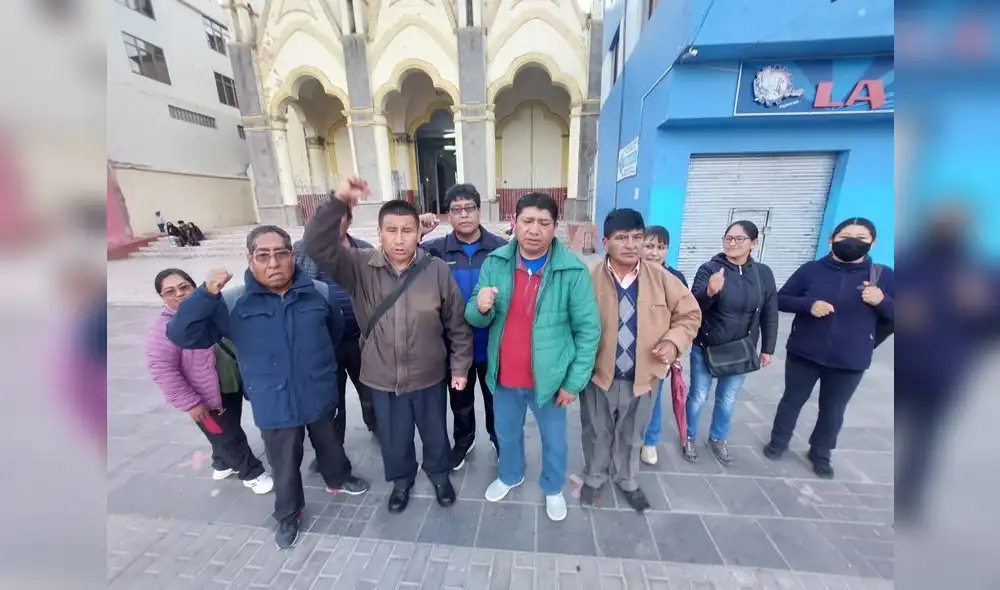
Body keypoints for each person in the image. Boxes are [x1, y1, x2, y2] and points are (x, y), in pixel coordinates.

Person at [166, 225, 369, 549]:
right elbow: (182, 335)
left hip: (317, 389)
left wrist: (316, 365)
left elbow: (333, 329)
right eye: (263, 256)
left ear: (292, 256)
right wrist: (205, 294)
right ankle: (289, 514)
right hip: (274, 399)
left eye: (280, 254)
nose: (273, 263)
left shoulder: (318, 292)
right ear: (250, 260)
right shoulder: (232, 302)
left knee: (330, 441)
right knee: (284, 460)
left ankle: (338, 477)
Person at [303, 178, 473, 515]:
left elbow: (457, 324)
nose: (399, 239)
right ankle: (401, 481)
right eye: (391, 230)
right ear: (379, 233)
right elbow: (315, 245)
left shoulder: (436, 269)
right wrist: (338, 202)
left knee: (435, 433)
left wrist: (459, 368)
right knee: (395, 438)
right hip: (382, 376)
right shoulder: (359, 266)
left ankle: (439, 476)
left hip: (429, 375)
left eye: (406, 230)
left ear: (417, 232)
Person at [466, 192, 601, 522]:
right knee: (507, 434)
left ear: (555, 226)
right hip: (505, 376)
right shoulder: (496, 262)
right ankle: (511, 475)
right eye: (527, 221)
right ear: (515, 222)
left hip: (550, 380)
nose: (534, 230)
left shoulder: (572, 271)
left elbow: (588, 331)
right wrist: (480, 306)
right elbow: (474, 315)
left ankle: (553, 487)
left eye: (544, 223)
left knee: (555, 441)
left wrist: (573, 382)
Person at [581, 210, 700, 512]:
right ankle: (595, 477)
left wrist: (673, 343)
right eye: (622, 238)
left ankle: (628, 480)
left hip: (644, 377)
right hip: (599, 376)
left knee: (633, 433)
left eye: (637, 237)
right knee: (596, 430)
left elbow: (689, 314)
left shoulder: (662, 278)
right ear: (605, 242)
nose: (631, 245)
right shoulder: (587, 277)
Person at [763, 217, 894, 478]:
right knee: (792, 400)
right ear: (831, 239)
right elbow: (781, 299)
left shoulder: (883, 276)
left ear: (873, 243)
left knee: (833, 409)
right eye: (846, 236)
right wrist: (808, 304)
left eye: (861, 238)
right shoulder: (811, 270)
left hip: (849, 359)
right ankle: (779, 441)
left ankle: (820, 452)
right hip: (805, 352)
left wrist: (883, 301)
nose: (852, 242)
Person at [146, 268, 273, 494]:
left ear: (195, 287)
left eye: (184, 287)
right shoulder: (162, 330)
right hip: (205, 394)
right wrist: (191, 403)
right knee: (228, 435)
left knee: (225, 429)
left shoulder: (212, 309)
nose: (179, 294)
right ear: (162, 297)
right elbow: (163, 371)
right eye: (170, 291)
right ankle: (252, 474)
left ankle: (222, 463)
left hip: (232, 384)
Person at [422, 183, 508, 467]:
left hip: (492, 346)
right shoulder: (434, 250)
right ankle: (464, 440)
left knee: (496, 401)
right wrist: (419, 232)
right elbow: (399, 256)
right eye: (456, 210)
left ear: (479, 210)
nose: (464, 215)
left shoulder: (500, 250)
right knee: (460, 402)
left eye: (469, 208)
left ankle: (499, 440)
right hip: (454, 348)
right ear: (448, 215)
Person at [686, 220, 778, 466]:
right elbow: (693, 306)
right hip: (707, 346)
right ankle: (689, 436)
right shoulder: (710, 268)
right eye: (728, 238)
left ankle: (717, 438)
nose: (732, 243)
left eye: (739, 239)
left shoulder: (763, 274)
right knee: (698, 395)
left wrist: (767, 348)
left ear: (754, 243)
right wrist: (710, 291)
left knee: (727, 398)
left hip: (742, 349)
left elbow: (770, 311)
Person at [293, 207, 378, 458]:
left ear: (348, 223)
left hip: (360, 338)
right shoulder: (301, 251)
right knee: (330, 399)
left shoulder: (363, 249)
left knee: (371, 390)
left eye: (336, 220)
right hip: (323, 343)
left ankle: (378, 426)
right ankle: (331, 449)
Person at [639, 225, 689, 465]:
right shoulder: (630, 275)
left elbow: (684, 317)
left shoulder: (676, 279)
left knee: (654, 400)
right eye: (649, 246)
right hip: (631, 350)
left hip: (659, 353)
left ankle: (650, 442)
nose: (654, 252)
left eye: (660, 247)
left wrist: (674, 345)